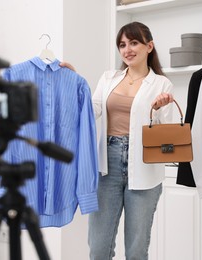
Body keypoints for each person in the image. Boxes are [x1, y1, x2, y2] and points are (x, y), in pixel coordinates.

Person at [63, 21, 174, 259]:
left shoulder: (161, 84)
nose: (127, 49)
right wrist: (75, 82)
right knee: (99, 247)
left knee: (136, 251)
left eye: (134, 43)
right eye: (122, 45)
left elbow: (166, 132)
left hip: (144, 167)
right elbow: (90, 111)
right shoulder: (109, 78)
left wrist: (159, 108)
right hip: (107, 166)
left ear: (149, 46)